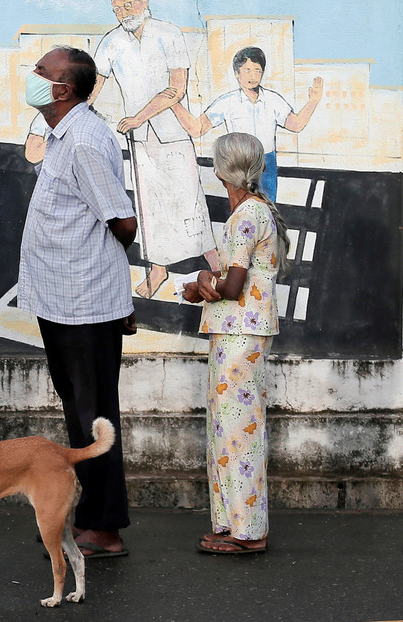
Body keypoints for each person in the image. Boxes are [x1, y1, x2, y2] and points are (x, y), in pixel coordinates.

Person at [19, 46, 137, 558]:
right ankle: (88, 517)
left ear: (62, 90)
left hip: (84, 303)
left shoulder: (85, 140)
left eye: (41, 73)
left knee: (95, 418)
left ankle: (104, 527)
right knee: (80, 413)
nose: (33, 77)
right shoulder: (61, 135)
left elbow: (122, 221)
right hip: (63, 301)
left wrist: (110, 287)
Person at [182, 132, 286, 555]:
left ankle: (249, 532)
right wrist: (208, 281)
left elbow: (233, 286)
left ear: (222, 170)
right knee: (230, 428)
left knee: (236, 431)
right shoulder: (260, 212)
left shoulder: (245, 216)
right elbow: (232, 279)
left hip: (239, 334)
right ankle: (233, 524)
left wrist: (200, 285)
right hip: (242, 332)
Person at [91, 0, 218, 299]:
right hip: (138, 138)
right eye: (117, 8)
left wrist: (139, 117)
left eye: (128, 5)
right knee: (149, 208)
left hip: (172, 131)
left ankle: (216, 264)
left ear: (144, 2)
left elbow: (178, 88)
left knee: (190, 200)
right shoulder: (111, 42)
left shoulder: (169, 32)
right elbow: (95, 84)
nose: (123, 13)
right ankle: (157, 269)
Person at [171, 46, 324, 202]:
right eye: (247, 70)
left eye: (258, 70)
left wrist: (313, 101)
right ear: (237, 74)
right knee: (243, 214)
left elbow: (296, 125)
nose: (253, 75)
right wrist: (174, 104)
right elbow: (198, 129)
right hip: (239, 163)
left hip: (267, 162)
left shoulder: (273, 100)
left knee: (268, 211)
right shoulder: (228, 102)